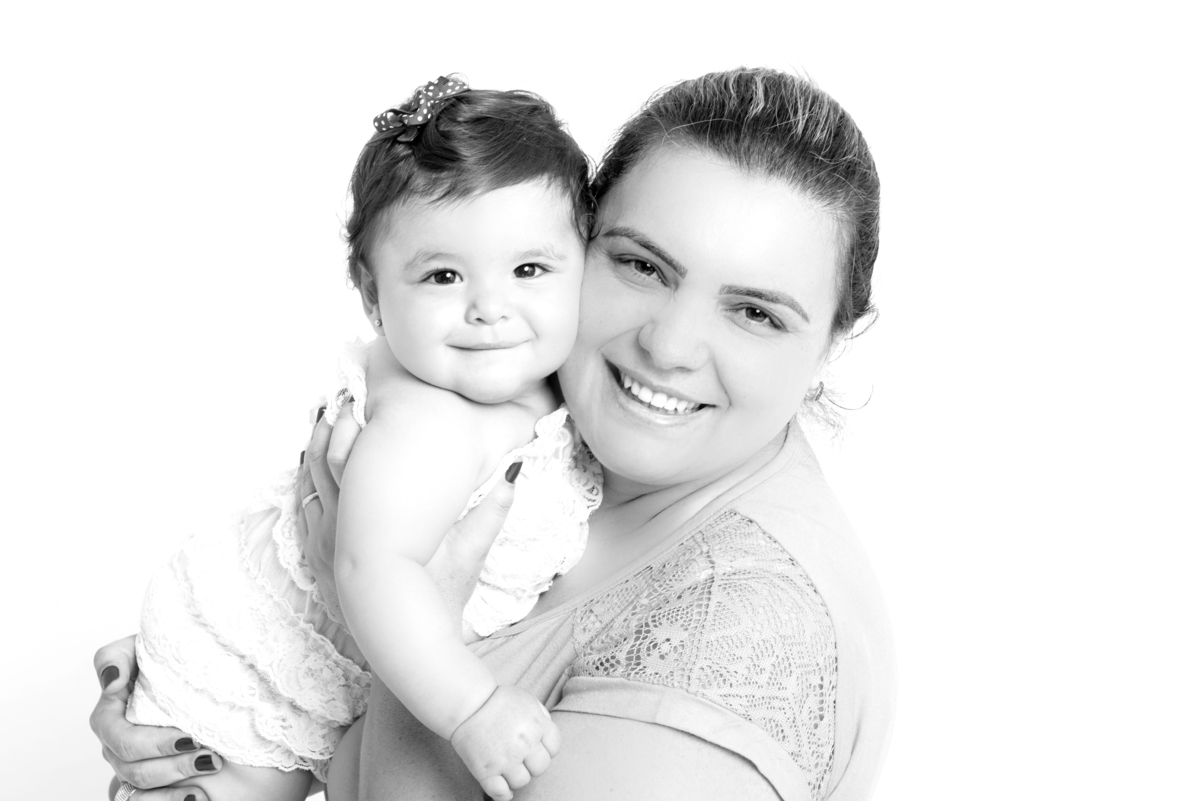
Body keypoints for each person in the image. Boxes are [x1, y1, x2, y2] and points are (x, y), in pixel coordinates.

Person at [92, 67, 896, 801]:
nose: (670, 346)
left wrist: (388, 642)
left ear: (833, 343)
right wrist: (216, 666)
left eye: (756, 312)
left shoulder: (738, 641)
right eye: (642, 265)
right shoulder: (539, 430)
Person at [109, 76, 603, 801]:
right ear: (374, 297)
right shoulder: (429, 420)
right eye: (443, 276)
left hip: (346, 678)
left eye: (529, 269)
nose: (490, 307)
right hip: (249, 669)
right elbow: (372, 567)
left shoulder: (540, 381)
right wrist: (473, 707)